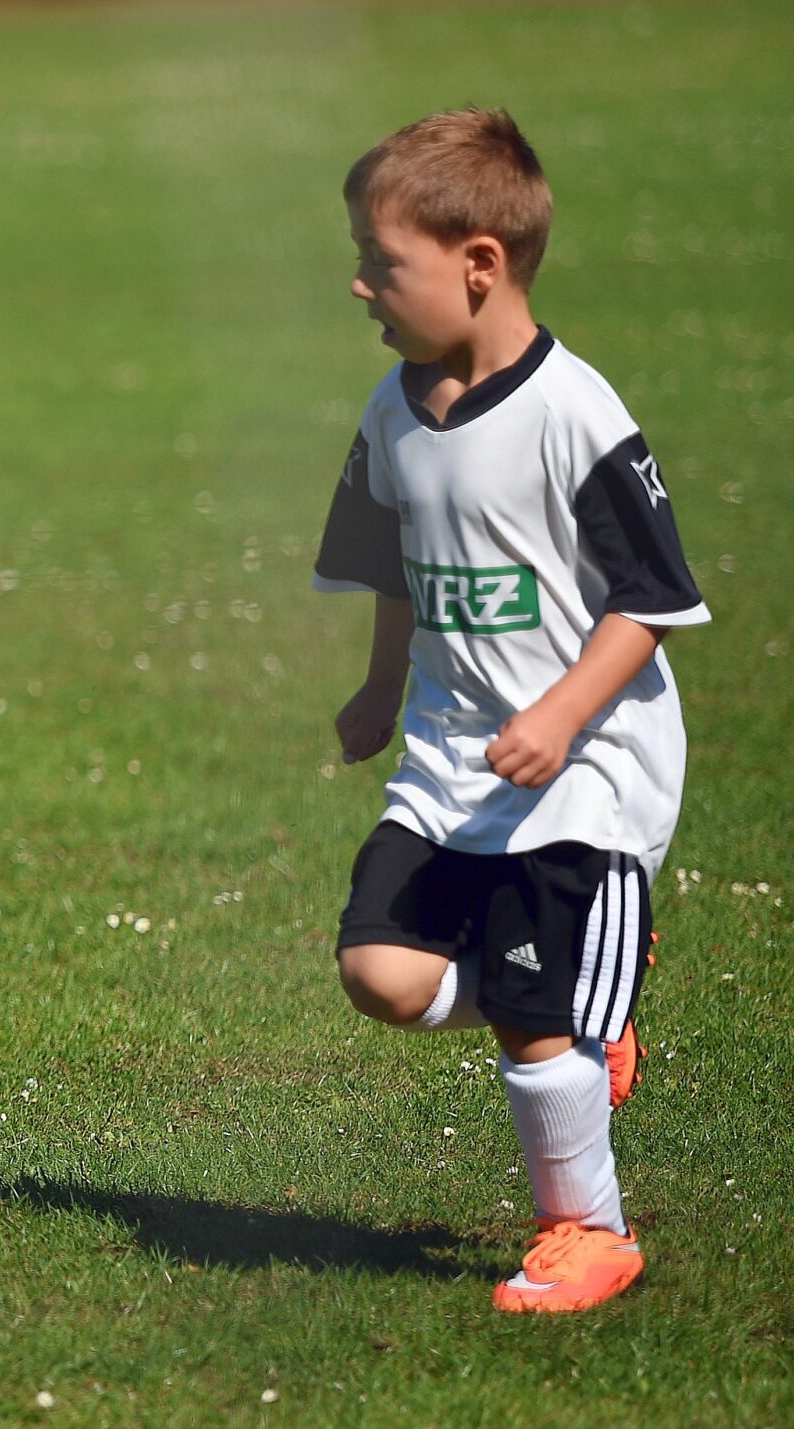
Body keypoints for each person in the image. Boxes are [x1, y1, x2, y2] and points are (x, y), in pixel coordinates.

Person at [314, 108, 707, 1311]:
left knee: (532, 1024)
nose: (361, 286)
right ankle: (589, 994)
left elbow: (648, 601)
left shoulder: (574, 413)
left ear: (478, 265)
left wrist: (558, 714)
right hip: (447, 760)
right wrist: (381, 689)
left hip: (583, 765)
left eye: (385, 265)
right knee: (379, 969)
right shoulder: (394, 408)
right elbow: (390, 566)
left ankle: (587, 1230)